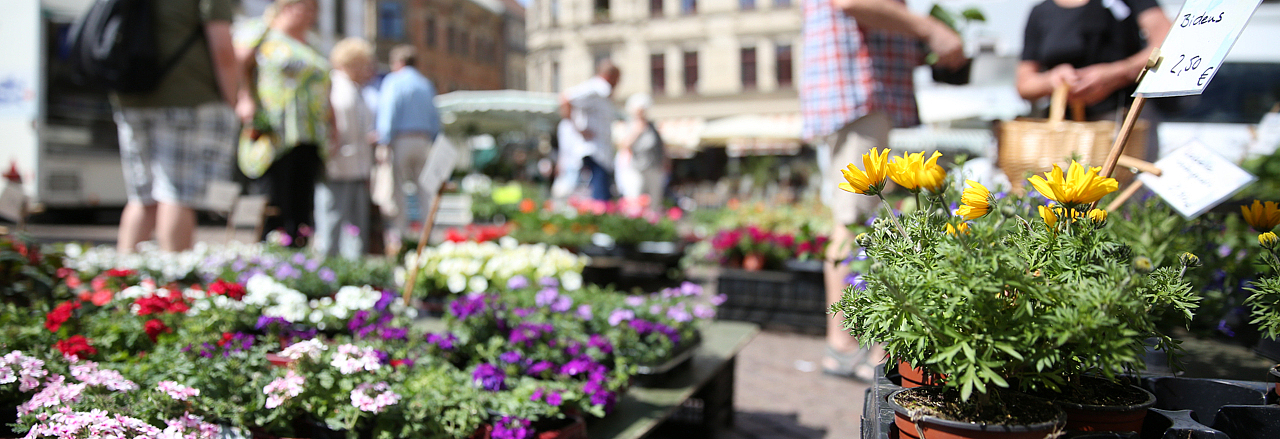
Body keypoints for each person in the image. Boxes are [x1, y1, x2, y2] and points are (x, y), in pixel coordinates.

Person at [802, 0, 964, 380]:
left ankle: (848, 344)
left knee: (860, 220)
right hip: (857, 92)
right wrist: (929, 29)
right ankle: (845, 345)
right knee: (855, 221)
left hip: (860, 91)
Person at [113, 0, 240, 254]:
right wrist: (234, 100)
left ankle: (121, 280)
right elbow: (223, 50)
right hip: (185, 99)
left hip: (129, 97)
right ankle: (174, 285)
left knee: (142, 198)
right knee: (176, 195)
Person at [235, 0, 331, 248]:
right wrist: (244, 97)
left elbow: (325, 85)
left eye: (314, 9)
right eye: (305, 7)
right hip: (274, 129)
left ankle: (297, 257)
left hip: (309, 131)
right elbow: (237, 64)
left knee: (303, 201)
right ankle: (269, 253)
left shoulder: (313, 44)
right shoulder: (262, 31)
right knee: (274, 197)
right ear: (287, 6)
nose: (311, 14)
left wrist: (333, 122)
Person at [1017, 0, 1170, 124]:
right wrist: (1053, 80)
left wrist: (1119, 72)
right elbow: (1024, 84)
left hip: (1123, 118)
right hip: (1064, 127)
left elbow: (1167, 42)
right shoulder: (1041, 12)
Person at [314, 37, 376, 260]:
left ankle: (350, 268)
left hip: (355, 165)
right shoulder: (339, 87)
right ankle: (327, 266)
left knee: (354, 223)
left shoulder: (354, 89)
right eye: (364, 64)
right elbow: (335, 127)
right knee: (332, 219)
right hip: (339, 165)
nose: (368, 69)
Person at [376, 44, 441, 250]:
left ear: (398, 63)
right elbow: (435, 116)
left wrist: (383, 140)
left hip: (401, 139)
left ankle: (400, 235)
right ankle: (427, 234)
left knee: (398, 189)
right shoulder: (425, 84)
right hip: (423, 140)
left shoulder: (394, 81)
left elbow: (388, 111)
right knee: (425, 190)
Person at [560, 60, 621, 202]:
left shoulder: (602, 91)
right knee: (599, 196)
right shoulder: (598, 87)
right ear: (609, 76)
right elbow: (565, 98)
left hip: (600, 150)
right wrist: (579, 129)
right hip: (594, 149)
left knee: (599, 191)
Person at [617, 93, 666, 214]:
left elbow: (661, 146)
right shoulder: (629, 125)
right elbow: (624, 145)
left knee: (654, 199)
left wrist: (665, 162)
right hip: (635, 167)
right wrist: (637, 131)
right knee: (635, 197)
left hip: (653, 166)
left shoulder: (652, 126)